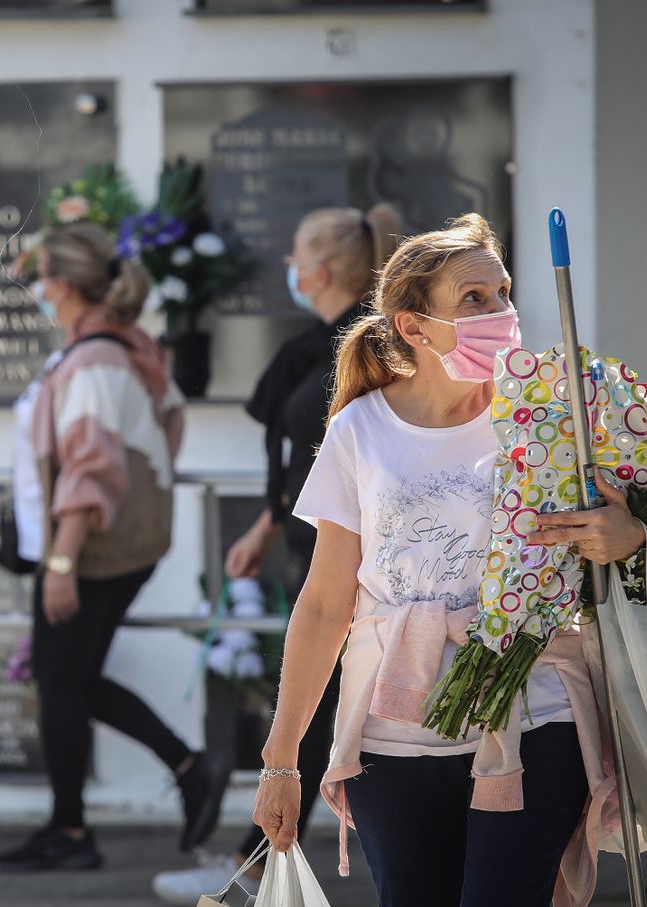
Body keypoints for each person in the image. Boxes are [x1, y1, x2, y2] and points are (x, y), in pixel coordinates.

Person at [252, 214, 642, 907]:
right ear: (412, 326)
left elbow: (624, 539)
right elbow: (323, 601)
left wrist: (628, 534)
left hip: (535, 713)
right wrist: (281, 758)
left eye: (504, 292)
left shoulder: (557, 415)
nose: (502, 312)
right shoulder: (359, 430)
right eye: (474, 299)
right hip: (391, 737)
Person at [149, 203, 401, 905]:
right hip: (310, 541)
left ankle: (256, 854)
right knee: (316, 698)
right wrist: (265, 527)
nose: (288, 269)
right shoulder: (313, 343)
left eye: (294, 256)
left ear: (318, 270)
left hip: (354, 554)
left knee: (322, 699)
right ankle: (259, 851)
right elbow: (303, 464)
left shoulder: (369, 346)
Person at [0, 223, 223, 872]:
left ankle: (71, 831)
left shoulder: (95, 362)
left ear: (63, 285)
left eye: (40, 276)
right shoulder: (126, 347)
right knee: (68, 678)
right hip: (113, 543)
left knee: (62, 685)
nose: (36, 288)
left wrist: (63, 560)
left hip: (86, 550)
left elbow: (91, 471)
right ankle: (185, 766)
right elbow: (170, 418)